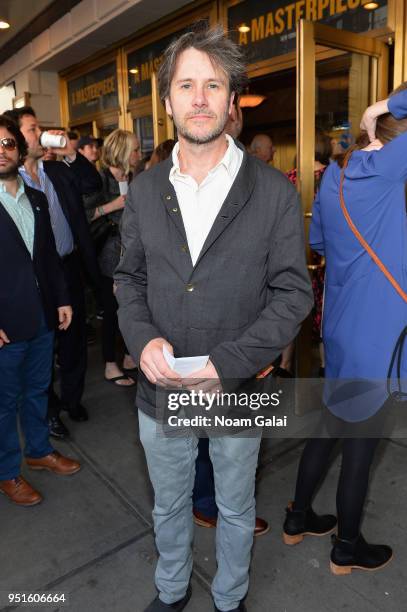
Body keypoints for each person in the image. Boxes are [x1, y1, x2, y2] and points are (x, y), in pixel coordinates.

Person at [115, 25, 312, 612]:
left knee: (234, 506)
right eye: (186, 85)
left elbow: (291, 295)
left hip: (238, 387)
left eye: (213, 85)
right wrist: (142, 337)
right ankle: (171, 591)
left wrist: (227, 364)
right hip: (162, 389)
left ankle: (230, 598)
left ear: (232, 101)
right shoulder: (145, 191)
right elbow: (129, 279)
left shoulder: (274, 192)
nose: (199, 98)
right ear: (168, 100)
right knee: (170, 503)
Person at [282, 85, 407, 575]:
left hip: (337, 328)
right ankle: (347, 547)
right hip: (376, 336)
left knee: (332, 425)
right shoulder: (387, 171)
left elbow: (319, 244)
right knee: (361, 444)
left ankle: (297, 517)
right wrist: (384, 107)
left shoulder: (333, 178)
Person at [192, 93, 268, 537]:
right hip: (201, 335)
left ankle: (230, 503)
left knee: (239, 437)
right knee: (206, 430)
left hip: (247, 337)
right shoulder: (184, 181)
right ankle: (208, 502)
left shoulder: (261, 183)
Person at [0, 114, 81, 507]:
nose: (1, 151)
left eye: (8, 144)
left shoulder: (34, 197)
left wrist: (62, 297)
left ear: (19, 148)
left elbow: (48, 257)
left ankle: (38, 450)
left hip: (43, 314)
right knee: (4, 403)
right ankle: (7, 472)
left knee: (37, 391)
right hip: (5, 325)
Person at [5, 106, 101, 433]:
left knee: (74, 340)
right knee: (44, 347)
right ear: (18, 138)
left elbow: (92, 184)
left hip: (70, 266)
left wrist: (71, 154)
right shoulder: (9, 184)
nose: (40, 133)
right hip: (36, 277)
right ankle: (49, 409)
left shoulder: (57, 170)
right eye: (33, 129)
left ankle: (72, 400)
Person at [92, 128, 142, 386]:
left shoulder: (134, 177)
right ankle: (110, 364)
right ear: (122, 152)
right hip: (108, 255)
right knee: (111, 311)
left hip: (131, 254)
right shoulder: (99, 179)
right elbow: (83, 215)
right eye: (134, 149)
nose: (139, 153)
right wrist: (113, 205)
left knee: (130, 307)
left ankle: (128, 358)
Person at [282, 128, 332, 375]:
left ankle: (287, 365)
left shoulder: (287, 178)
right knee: (322, 313)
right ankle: (322, 368)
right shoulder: (333, 177)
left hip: (291, 253)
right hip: (322, 258)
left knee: (290, 307)